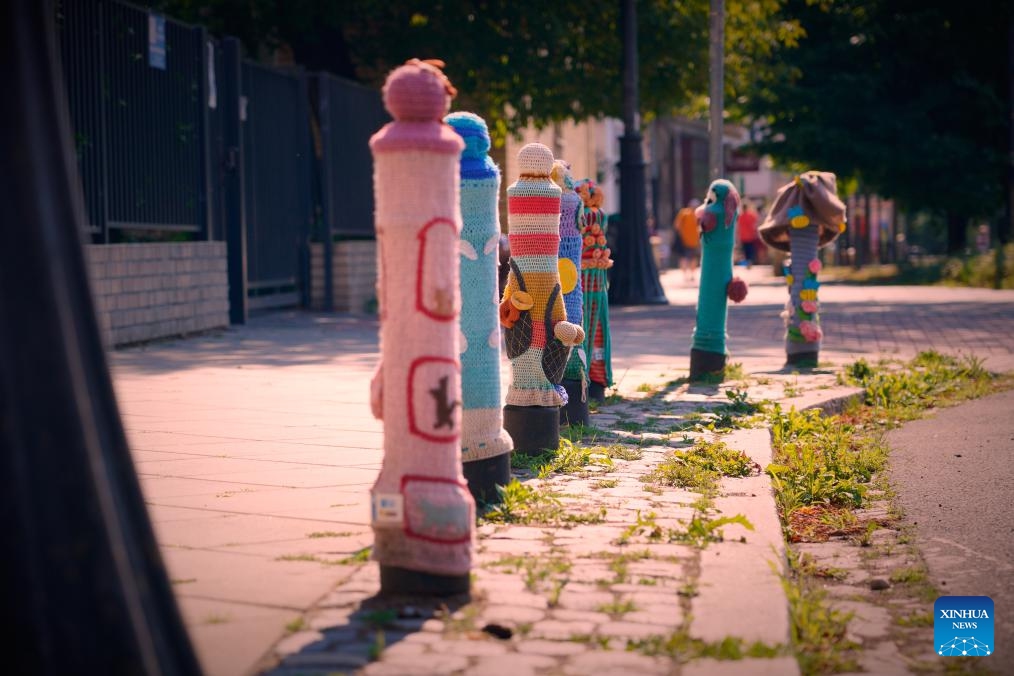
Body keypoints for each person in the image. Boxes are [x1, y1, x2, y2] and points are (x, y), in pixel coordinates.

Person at [673, 198, 701, 281]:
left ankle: (685, 275)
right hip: (695, 241)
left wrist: (681, 232)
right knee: (693, 258)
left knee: (684, 257)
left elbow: (676, 225)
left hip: (684, 240)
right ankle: (692, 275)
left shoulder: (683, 213)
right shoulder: (698, 215)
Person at [737, 200, 760, 267]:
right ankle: (750, 261)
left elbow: (738, 227)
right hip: (750, 236)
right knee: (750, 250)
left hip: (743, 236)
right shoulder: (751, 215)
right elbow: (755, 224)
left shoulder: (740, 216)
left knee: (745, 250)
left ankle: (747, 262)